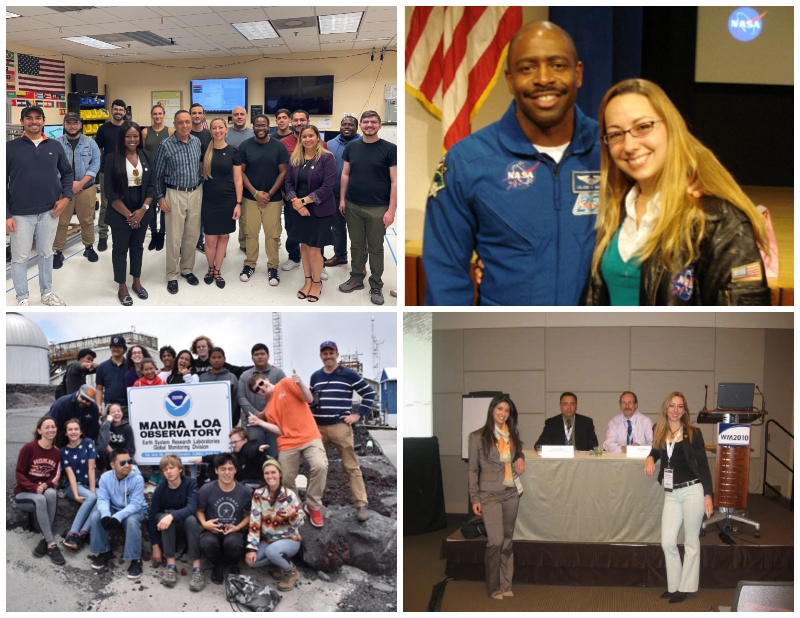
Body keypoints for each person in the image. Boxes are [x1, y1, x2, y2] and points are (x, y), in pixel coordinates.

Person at [423, 21, 600, 306]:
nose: (544, 78)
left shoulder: (614, 151)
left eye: (557, 65)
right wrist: (432, 334)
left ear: (577, 74)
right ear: (509, 79)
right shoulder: (466, 162)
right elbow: (444, 281)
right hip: (503, 331)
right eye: (527, 68)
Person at [585, 78, 770, 306]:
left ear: (670, 127)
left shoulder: (719, 220)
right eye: (615, 134)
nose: (629, 146)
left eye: (643, 127)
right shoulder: (614, 211)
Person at [644, 392, 714, 604]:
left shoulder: (693, 433)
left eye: (680, 406)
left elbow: (703, 464)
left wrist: (708, 495)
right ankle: (674, 585)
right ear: (666, 408)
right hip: (671, 493)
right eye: (672, 406)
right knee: (667, 542)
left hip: (693, 490)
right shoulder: (659, 430)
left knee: (691, 540)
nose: (675, 410)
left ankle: (686, 587)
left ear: (684, 410)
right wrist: (649, 458)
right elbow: (656, 452)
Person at [6, 105, 73, 306]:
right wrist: (6, 214)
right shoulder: (9, 148)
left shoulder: (55, 146)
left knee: (46, 253)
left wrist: (66, 197)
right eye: (29, 118)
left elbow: (67, 173)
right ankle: (22, 298)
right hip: (20, 214)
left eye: (38, 118)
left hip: (49, 212)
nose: (33, 121)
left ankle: (46, 293)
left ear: (43, 121)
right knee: (20, 259)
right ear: (22, 122)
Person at [247, 371, 329, 527]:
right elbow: (280, 430)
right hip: (288, 443)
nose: (261, 388)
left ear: (266, 380)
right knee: (285, 478)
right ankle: (296, 506)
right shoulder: (268, 408)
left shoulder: (285, 383)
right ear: (257, 394)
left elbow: (309, 399)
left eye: (261, 383)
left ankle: (313, 505)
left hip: (310, 436)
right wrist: (259, 422)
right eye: (257, 389)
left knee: (320, 466)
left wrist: (301, 383)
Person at [309, 340, 375, 521]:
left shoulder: (349, 374)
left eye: (331, 353)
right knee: (317, 466)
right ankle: (314, 504)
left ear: (337, 355)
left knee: (350, 466)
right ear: (321, 356)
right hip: (318, 429)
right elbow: (310, 400)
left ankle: (361, 504)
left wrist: (358, 414)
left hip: (340, 427)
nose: (328, 356)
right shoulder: (315, 377)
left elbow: (369, 393)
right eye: (325, 353)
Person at [468, 395, 525, 599]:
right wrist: (475, 497)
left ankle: (506, 583)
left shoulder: (512, 434)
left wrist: (520, 457)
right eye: (499, 409)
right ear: (492, 410)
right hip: (489, 493)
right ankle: (493, 587)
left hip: (511, 492)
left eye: (507, 410)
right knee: (496, 540)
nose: (503, 413)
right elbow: (472, 469)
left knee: (508, 540)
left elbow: (516, 453)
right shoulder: (477, 436)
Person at [338, 111, 397, 306]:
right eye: (365, 122)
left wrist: (391, 210)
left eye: (373, 122)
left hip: (378, 207)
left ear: (380, 125)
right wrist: (343, 199)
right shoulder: (352, 147)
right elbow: (345, 174)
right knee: (356, 244)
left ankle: (376, 285)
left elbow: (395, 181)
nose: (369, 125)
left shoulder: (390, 149)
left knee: (375, 247)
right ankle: (356, 278)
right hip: (353, 204)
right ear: (361, 125)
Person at [103, 121, 156, 306]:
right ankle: (122, 286)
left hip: (143, 209)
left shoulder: (147, 156)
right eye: (128, 136)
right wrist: (128, 215)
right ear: (122, 138)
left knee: (137, 247)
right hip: (120, 211)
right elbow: (109, 191)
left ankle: (136, 282)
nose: (132, 139)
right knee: (120, 250)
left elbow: (152, 186)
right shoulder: (112, 158)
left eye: (135, 136)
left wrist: (142, 211)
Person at [284, 125, 336, 302]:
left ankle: (317, 282)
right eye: (304, 136)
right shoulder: (295, 158)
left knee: (314, 249)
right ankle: (307, 280)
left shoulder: (327, 158)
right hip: (299, 210)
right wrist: (297, 204)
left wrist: (304, 201)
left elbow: (327, 187)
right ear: (300, 139)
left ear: (318, 137)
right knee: (304, 247)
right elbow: (288, 183)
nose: (307, 139)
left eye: (311, 136)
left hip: (319, 210)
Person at [154, 110, 203, 295]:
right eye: (181, 122)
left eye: (187, 122)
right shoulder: (165, 145)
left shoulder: (196, 142)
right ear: (174, 124)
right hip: (174, 194)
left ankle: (187, 269)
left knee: (192, 235)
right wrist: (160, 197)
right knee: (174, 237)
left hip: (196, 192)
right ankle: (172, 275)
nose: (185, 125)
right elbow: (157, 174)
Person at [238, 114, 289, 286]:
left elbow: (283, 172)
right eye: (257, 125)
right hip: (250, 198)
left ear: (269, 126)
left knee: (272, 235)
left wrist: (269, 193)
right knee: (250, 234)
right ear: (253, 127)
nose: (260, 128)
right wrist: (255, 193)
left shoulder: (278, 146)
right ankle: (249, 264)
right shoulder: (245, 146)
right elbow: (241, 172)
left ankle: (273, 267)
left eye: (264, 125)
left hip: (273, 200)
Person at [192, 452, 252, 585]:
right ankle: (218, 564)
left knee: (234, 544)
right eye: (223, 469)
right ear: (216, 470)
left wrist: (238, 527)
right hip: (211, 531)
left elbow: (249, 514)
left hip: (233, 531)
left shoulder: (244, 491)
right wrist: (204, 524)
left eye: (230, 469)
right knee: (207, 543)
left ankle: (232, 563)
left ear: (235, 470)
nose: (227, 473)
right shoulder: (206, 489)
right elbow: (199, 511)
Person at [88, 448, 148, 578]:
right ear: (112, 465)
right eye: (122, 463)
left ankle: (135, 559)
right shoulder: (105, 477)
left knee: (132, 521)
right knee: (96, 516)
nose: (127, 465)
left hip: (135, 510)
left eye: (129, 461)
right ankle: (104, 552)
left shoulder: (138, 478)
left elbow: (136, 504)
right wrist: (106, 515)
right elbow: (103, 499)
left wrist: (117, 516)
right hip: (114, 507)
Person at [245, 459, 304, 591]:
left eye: (273, 472)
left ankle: (291, 571)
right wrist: (251, 549)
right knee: (253, 562)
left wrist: (292, 516)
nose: (270, 476)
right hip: (268, 539)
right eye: (267, 473)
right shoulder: (259, 494)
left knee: (272, 552)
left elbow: (301, 522)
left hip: (289, 539)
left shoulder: (289, 495)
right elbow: (254, 522)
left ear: (280, 474)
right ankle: (278, 563)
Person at [148, 454, 204, 591]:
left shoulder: (190, 483)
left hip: (185, 522)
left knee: (191, 519)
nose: (168, 472)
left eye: (171, 468)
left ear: (180, 469)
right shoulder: (160, 489)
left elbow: (192, 508)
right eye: (165, 469)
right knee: (164, 518)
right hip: (167, 524)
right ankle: (171, 566)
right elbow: (152, 517)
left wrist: (172, 515)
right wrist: (155, 546)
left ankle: (197, 568)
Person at [52, 111, 101, 269]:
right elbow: (52, 165)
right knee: (61, 221)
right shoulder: (56, 143)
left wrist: (80, 183)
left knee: (86, 220)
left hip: (86, 188)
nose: (72, 126)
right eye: (69, 123)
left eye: (75, 123)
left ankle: (89, 247)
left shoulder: (90, 143)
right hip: (62, 189)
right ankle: (58, 251)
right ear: (64, 125)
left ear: (80, 125)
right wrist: (64, 183)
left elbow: (95, 164)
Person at [14, 416, 65, 566]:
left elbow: (56, 475)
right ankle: (51, 544)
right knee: (40, 499)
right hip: (23, 494)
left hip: (42, 490)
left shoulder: (56, 453)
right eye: (46, 427)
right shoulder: (29, 448)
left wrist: (46, 485)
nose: (50, 430)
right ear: (39, 430)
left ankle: (44, 540)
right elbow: (19, 473)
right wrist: (33, 487)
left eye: (53, 427)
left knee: (51, 493)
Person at [280, 110, 327, 272]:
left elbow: (326, 177)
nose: (299, 123)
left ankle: (319, 263)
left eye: (302, 120)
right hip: (292, 196)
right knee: (292, 229)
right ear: (291, 122)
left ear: (308, 121)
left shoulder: (323, 146)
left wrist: (305, 201)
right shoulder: (283, 143)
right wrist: (295, 201)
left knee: (316, 234)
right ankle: (294, 257)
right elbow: (285, 174)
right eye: (296, 120)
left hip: (315, 199)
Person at [200, 118, 243, 288]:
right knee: (210, 239)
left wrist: (238, 203)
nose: (217, 131)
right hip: (209, 200)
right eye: (214, 128)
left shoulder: (233, 151)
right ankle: (210, 268)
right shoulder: (205, 150)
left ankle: (217, 270)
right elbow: (201, 174)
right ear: (210, 130)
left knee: (223, 237)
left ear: (226, 130)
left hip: (228, 200)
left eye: (220, 127)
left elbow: (238, 179)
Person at [325, 115, 361, 269]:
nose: (347, 127)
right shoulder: (330, 144)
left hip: (356, 197)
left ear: (357, 127)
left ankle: (360, 263)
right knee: (337, 229)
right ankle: (340, 256)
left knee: (358, 232)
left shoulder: (363, 143)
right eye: (344, 124)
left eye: (350, 125)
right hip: (334, 194)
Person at [237, 343, 286, 450]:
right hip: (254, 423)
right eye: (256, 354)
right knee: (257, 451)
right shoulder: (244, 376)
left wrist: (266, 413)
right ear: (252, 358)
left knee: (275, 452)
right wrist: (256, 414)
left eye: (262, 354)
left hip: (275, 421)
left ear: (268, 356)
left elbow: (284, 394)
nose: (259, 357)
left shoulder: (278, 373)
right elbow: (241, 397)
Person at [60, 418, 98, 553]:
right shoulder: (63, 451)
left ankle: (82, 534)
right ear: (66, 433)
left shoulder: (88, 443)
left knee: (103, 499)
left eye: (76, 429)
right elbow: (70, 474)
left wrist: (92, 491)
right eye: (70, 429)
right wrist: (76, 495)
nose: (73, 432)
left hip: (89, 484)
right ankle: (72, 532)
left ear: (81, 431)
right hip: (73, 485)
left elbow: (91, 468)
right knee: (92, 498)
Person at [94, 99, 127, 252]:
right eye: (116, 109)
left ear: (124, 112)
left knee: (125, 202)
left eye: (121, 110)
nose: (118, 112)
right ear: (111, 110)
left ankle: (122, 233)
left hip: (125, 171)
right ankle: (103, 235)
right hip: (106, 171)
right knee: (105, 205)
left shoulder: (129, 128)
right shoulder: (103, 129)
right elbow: (98, 151)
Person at [141, 104, 174, 251]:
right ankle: (154, 233)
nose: (157, 116)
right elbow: (143, 152)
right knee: (151, 206)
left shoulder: (170, 132)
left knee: (164, 204)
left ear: (164, 115)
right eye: (155, 114)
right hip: (149, 174)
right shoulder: (145, 132)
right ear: (151, 115)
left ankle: (162, 234)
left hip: (165, 175)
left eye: (160, 113)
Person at [48, 383, 100, 447]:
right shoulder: (61, 404)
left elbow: (92, 430)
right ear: (78, 392)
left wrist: (84, 446)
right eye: (82, 397)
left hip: (80, 440)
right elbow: (53, 427)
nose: (84, 401)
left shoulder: (94, 408)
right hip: (61, 439)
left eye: (88, 400)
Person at [199, 347, 241, 426]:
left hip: (227, 420)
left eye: (219, 357)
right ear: (209, 360)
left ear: (224, 359)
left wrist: (230, 418)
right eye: (213, 357)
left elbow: (235, 401)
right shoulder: (202, 378)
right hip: (206, 421)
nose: (216, 360)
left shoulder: (232, 377)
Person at [190, 103, 212, 254]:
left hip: (205, 178)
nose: (197, 116)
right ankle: (188, 242)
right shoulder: (185, 132)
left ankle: (199, 241)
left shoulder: (208, 134)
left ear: (203, 115)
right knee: (190, 213)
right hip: (188, 179)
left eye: (199, 113)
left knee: (203, 212)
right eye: (194, 113)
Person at [95, 335, 128, 418]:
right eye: (113, 346)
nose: (116, 349)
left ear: (124, 349)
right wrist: (98, 405)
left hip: (128, 405)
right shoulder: (102, 367)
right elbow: (99, 389)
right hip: (110, 406)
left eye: (119, 346)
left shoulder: (130, 365)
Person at [97, 402, 136, 472]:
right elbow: (102, 443)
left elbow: (130, 450)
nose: (116, 413)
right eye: (113, 412)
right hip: (108, 458)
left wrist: (112, 451)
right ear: (108, 415)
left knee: (133, 463)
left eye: (118, 411)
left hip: (122, 457)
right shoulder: (105, 426)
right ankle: (104, 474)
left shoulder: (127, 428)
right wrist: (108, 422)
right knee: (99, 449)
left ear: (122, 413)